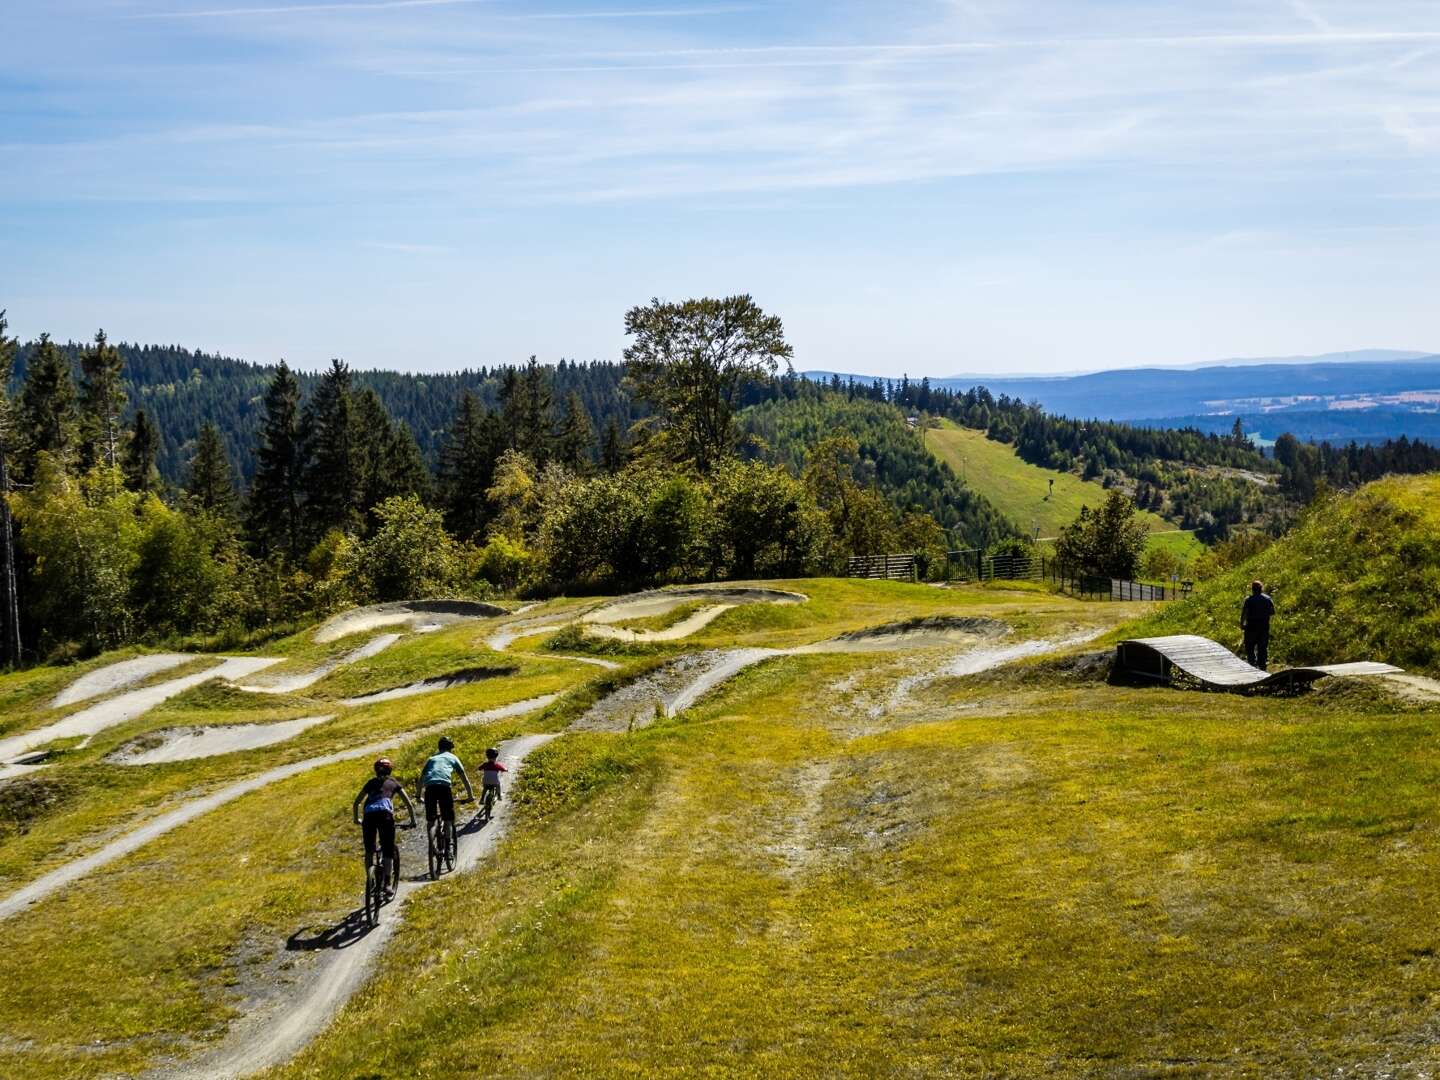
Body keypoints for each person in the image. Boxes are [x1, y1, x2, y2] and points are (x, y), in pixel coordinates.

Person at [352, 758, 415, 900]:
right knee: (388, 850)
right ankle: (387, 883)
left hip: (368, 817)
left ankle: (371, 880)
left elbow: (356, 803)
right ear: (390, 770)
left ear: (375, 770)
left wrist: (356, 819)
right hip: (385, 816)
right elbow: (409, 804)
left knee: (369, 850)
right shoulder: (393, 783)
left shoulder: (370, 783)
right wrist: (412, 820)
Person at [419, 735, 474, 831]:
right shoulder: (453, 757)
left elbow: (421, 779)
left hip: (430, 787)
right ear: (450, 748)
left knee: (431, 819)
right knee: (448, 818)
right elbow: (464, 778)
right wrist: (470, 796)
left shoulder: (431, 759)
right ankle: (448, 841)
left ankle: (431, 844)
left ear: (439, 747)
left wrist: (418, 795)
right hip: (444, 787)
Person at [1240, 579, 1276, 670]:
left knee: (1250, 647)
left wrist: (1242, 624)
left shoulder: (1249, 600)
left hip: (1251, 627)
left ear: (1252, 589)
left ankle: (1252, 665)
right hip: (1264, 627)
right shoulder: (1268, 599)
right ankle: (1262, 666)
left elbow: (1244, 613)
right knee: (1262, 647)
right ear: (1261, 589)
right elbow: (1272, 612)